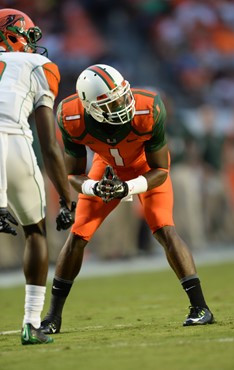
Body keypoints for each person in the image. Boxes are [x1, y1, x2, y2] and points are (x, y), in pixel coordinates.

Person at [41, 64, 214, 334]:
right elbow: (73, 174)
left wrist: (127, 187)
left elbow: (161, 170)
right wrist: (95, 188)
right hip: (105, 166)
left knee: (164, 229)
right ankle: (52, 317)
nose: (122, 104)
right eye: (111, 103)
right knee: (78, 235)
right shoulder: (69, 115)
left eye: (121, 96)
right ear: (89, 107)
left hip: (146, 167)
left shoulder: (149, 107)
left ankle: (200, 307)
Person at [0, 9, 75, 345]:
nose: (31, 45)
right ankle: (31, 323)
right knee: (35, 231)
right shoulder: (37, 67)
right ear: (9, 34)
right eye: (27, 37)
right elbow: (49, 145)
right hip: (11, 139)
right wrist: (66, 197)